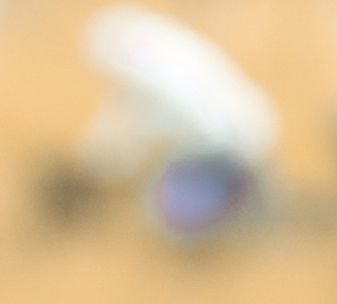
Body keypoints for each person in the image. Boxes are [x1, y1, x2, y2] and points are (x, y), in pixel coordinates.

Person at [76, 4, 279, 237]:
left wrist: (100, 165)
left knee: (164, 219)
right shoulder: (171, 60)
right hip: (248, 135)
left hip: (229, 150)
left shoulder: (154, 78)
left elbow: (133, 130)